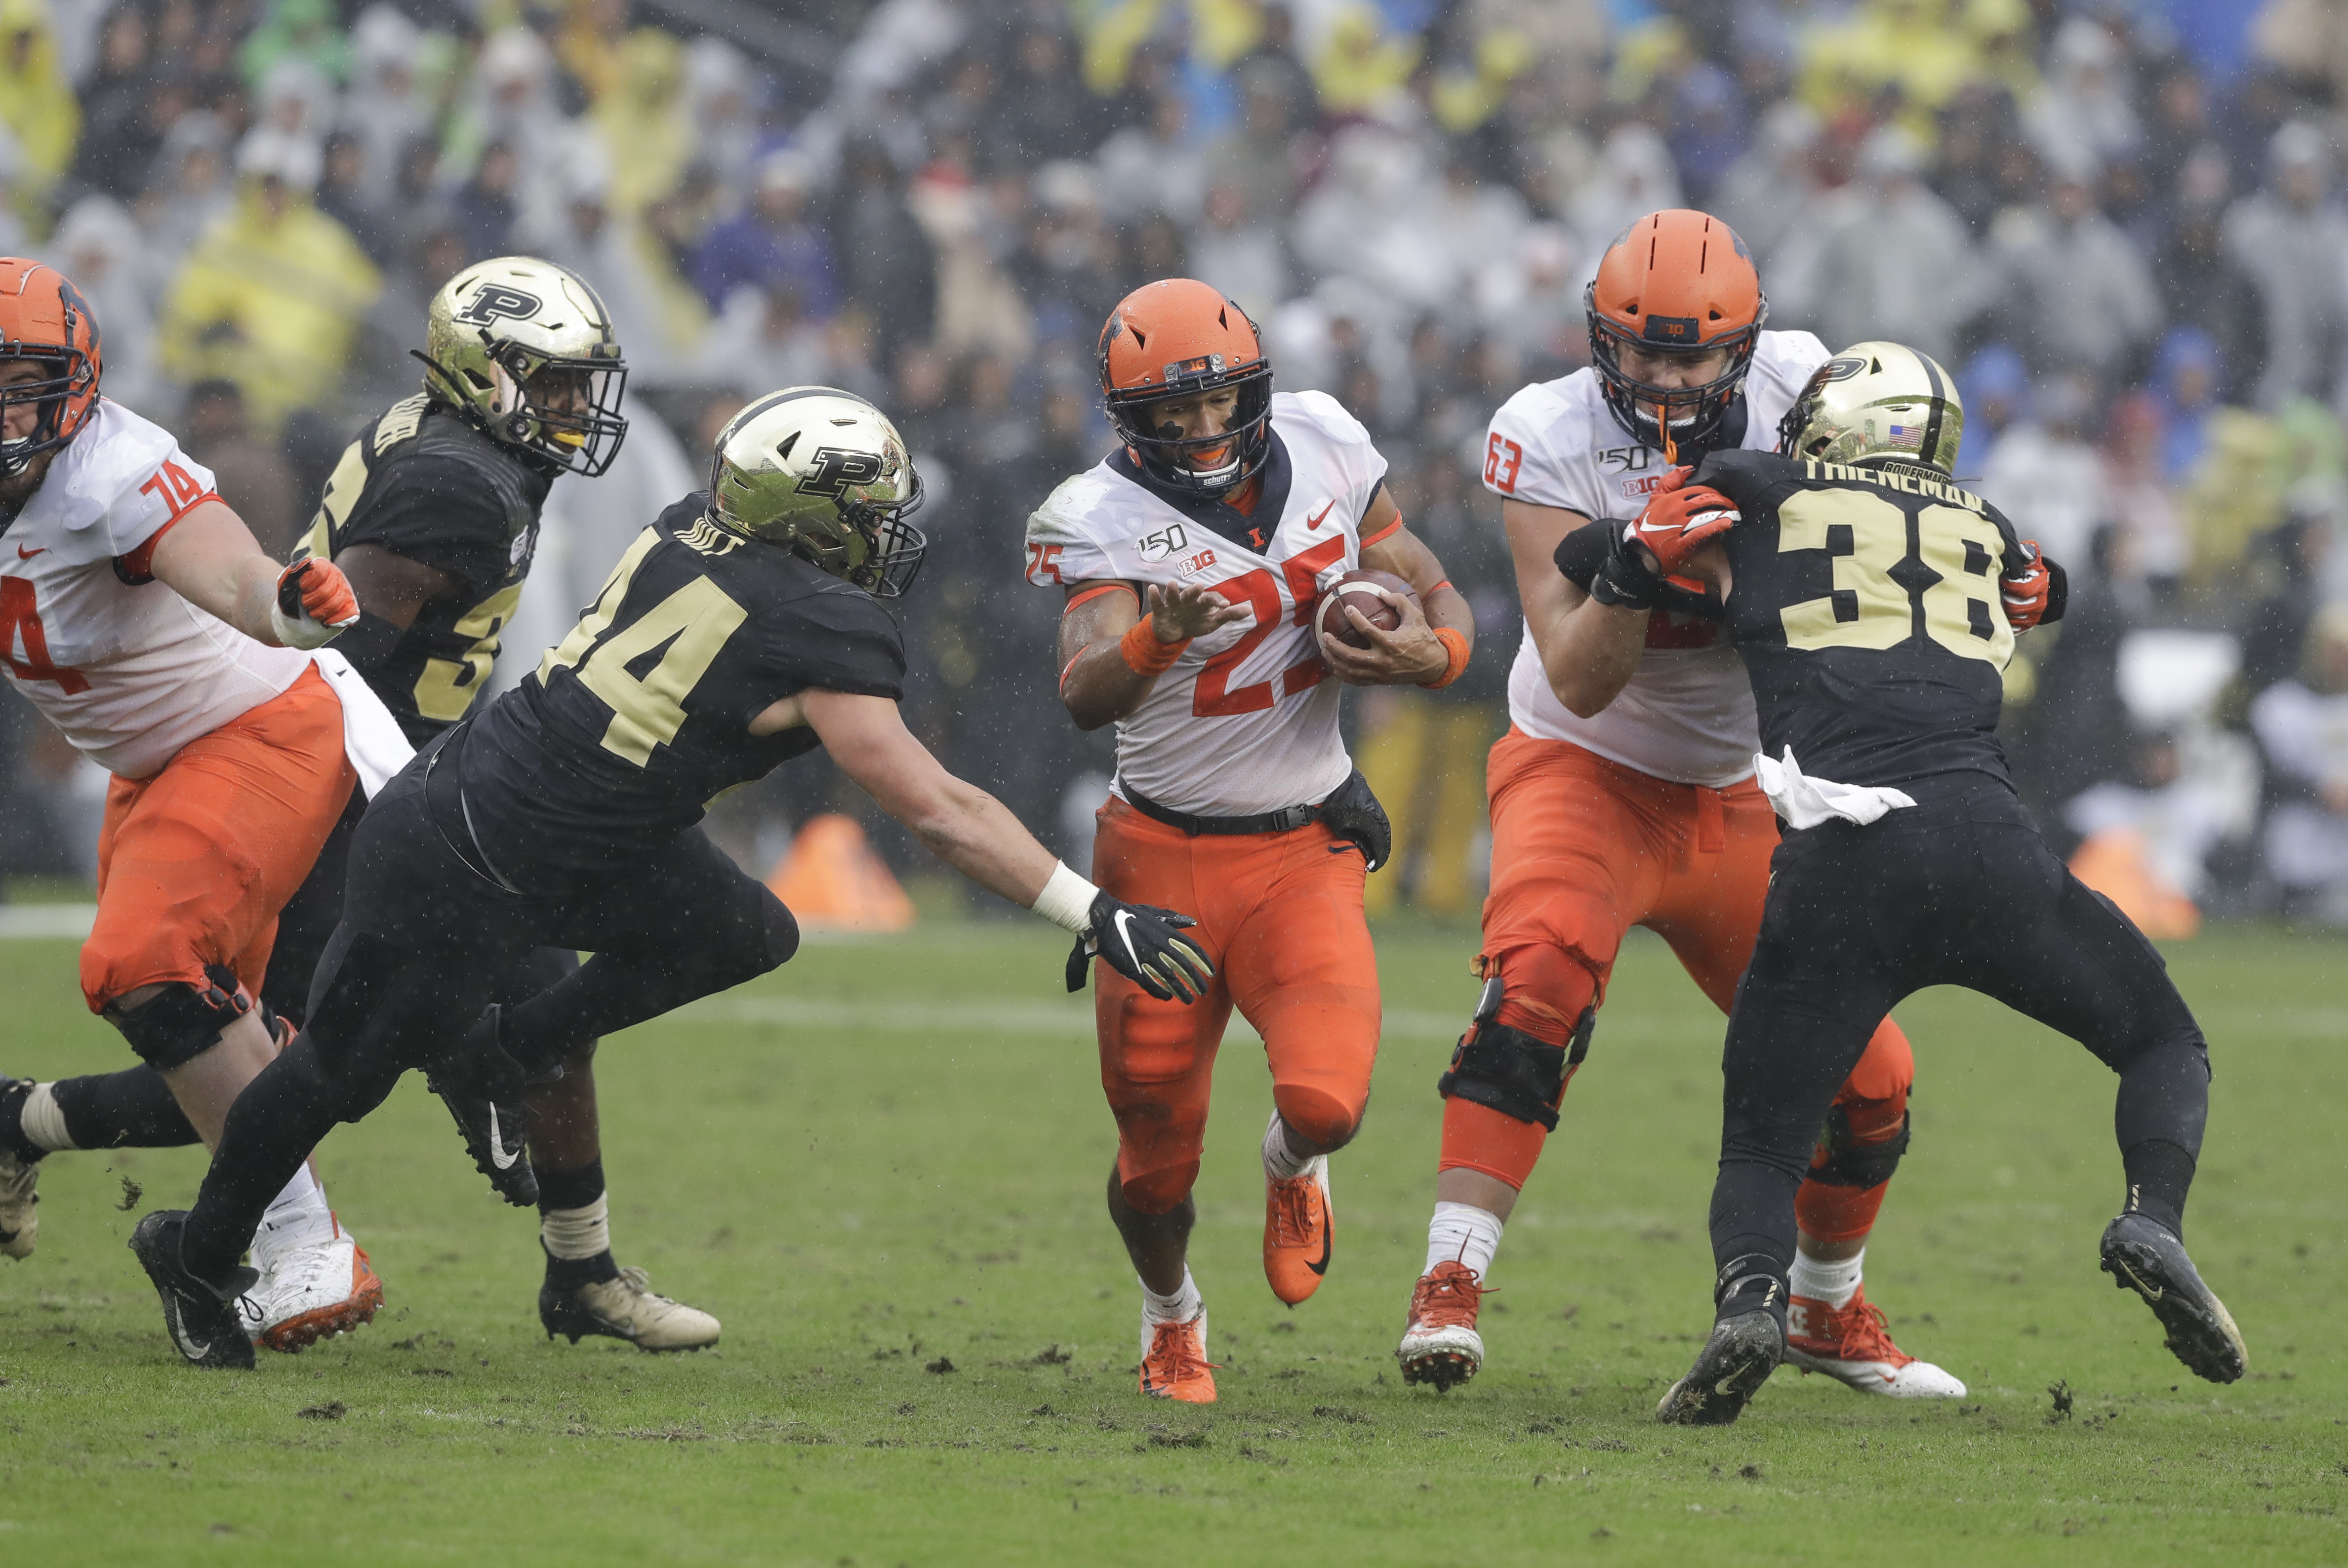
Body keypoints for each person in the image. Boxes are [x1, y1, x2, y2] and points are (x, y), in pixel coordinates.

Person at [127, 386, 1213, 1370]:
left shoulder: (692, 531)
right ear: (810, 515)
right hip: (465, 850)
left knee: (743, 928)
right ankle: (198, 1252)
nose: (892, 530)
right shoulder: (821, 620)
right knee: (338, 1079)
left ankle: (544, 1126)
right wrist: (1091, 908)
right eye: (871, 506)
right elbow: (936, 805)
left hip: (576, 828)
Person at [3, 258, 718, 1349]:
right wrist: (408, 798)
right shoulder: (456, 484)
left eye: (582, 384)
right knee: (292, 1059)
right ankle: (99, 1155)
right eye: (554, 383)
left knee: (483, 1029)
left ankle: (579, 1261)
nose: (577, 408)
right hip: (353, 774)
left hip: (364, 759)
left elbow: (270, 596)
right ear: (486, 375)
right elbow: (353, 653)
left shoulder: (450, 441)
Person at [1396, 210, 1963, 1401]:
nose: (1661, 379)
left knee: (1871, 1078)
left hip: (1747, 788)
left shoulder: (1816, 391)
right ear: (1601, 339)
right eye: (1641, 353)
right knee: (1539, 981)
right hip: (1586, 768)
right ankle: (1450, 1282)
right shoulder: (1544, 433)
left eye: (1691, 357)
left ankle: (1824, 1308)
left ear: (1746, 350)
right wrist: (1639, 566)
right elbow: (1581, 677)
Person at [1651, 341, 2241, 1424]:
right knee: (2164, 1040)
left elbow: (1613, 558)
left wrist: (1627, 556)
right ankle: (2152, 1215)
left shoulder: (1757, 482)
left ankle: (1749, 1302)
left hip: (1844, 860)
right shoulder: (1984, 522)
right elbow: (2047, 590)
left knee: (1766, 1137)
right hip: (1989, 848)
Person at [1029, 279, 1476, 1404]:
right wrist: (1151, 639)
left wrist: (1436, 657)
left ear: (1258, 388)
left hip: (1302, 840)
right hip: (1161, 860)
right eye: (1170, 415)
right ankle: (1172, 1310)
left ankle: (1290, 1164)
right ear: (1125, 419)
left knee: (1328, 1098)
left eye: (1218, 402)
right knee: (1154, 1162)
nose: (1200, 431)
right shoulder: (1096, 515)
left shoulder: (1326, 444)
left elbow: (1429, 587)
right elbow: (1085, 693)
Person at [0, 256, 396, 1353]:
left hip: (256, 728)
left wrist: (282, 602)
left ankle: (303, 1242)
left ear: (70, 386)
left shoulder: (108, 467)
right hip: (151, 767)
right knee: (211, 1052)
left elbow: (221, 567)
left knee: (144, 965)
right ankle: (174, 1237)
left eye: (15, 381)